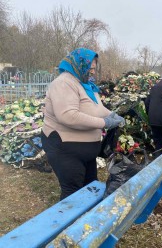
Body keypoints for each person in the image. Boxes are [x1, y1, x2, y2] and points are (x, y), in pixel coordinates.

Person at [41, 48, 125, 200]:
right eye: (90, 68)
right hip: (65, 150)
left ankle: (87, 221)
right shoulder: (64, 83)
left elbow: (97, 108)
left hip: (86, 152)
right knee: (73, 194)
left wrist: (112, 115)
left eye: (94, 68)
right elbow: (68, 116)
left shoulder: (85, 85)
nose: (92, 72)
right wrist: (104, 122)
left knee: (90, 189)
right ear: (79, 65)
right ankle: (70, 223)